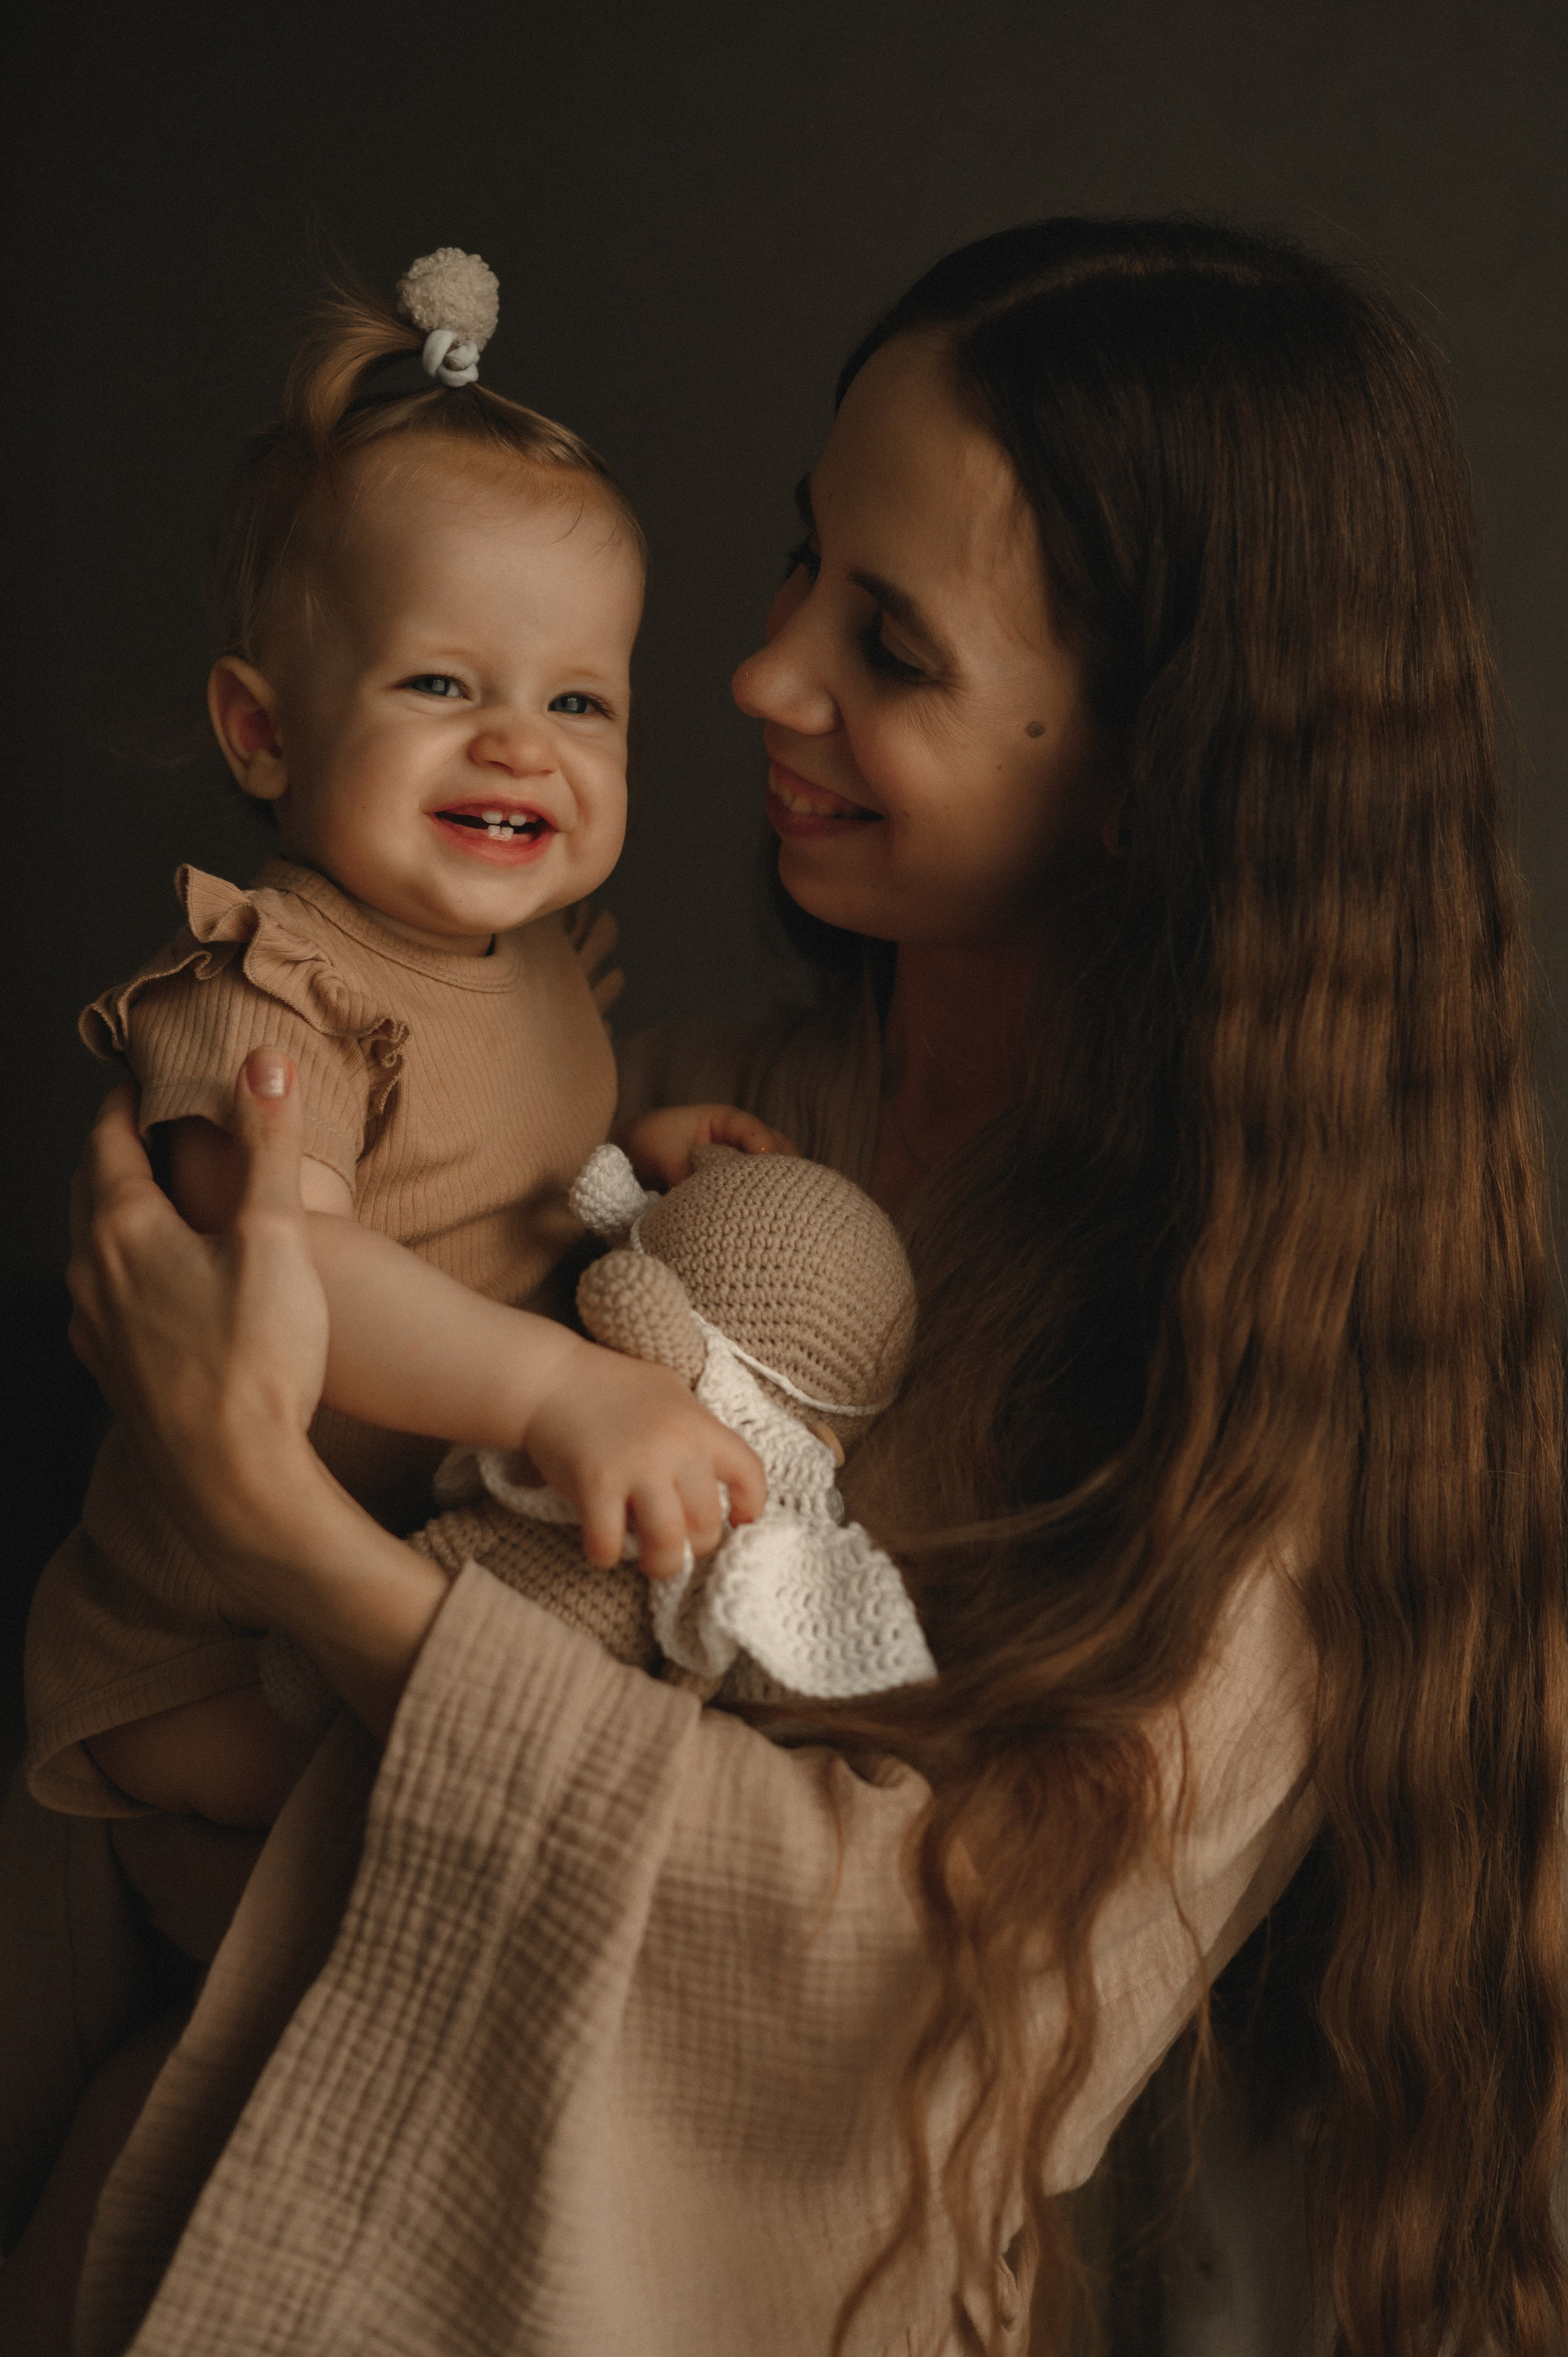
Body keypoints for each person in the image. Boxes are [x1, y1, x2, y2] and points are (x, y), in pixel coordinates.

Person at [31, 216, 1568, 2356]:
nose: (759, 678)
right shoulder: (678, 1110)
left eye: (893, 646)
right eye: (793, 566)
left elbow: (923, 1977)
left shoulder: (1278, 1410)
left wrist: (296, 1550)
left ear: (1152, 773)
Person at [23, 245, 776, 1850]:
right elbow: (304, 1277)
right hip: (204, 1655)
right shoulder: (262, 987)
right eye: (441, 682)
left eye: (582, 702)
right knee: (419, 1851)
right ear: (266, 729)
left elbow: (499, 1171)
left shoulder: (544, 959)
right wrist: (566, 1392)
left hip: (390, 1571)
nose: (520, 741)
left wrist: (625, 1164)